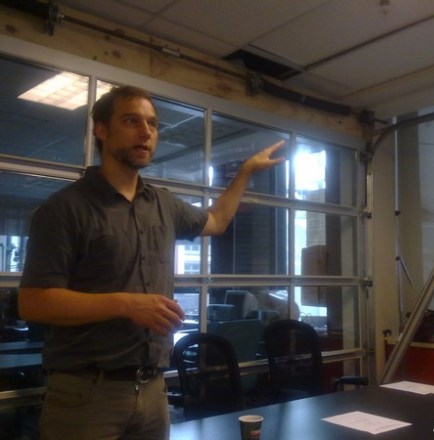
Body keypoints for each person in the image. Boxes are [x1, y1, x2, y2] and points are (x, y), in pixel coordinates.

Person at [18, 85, 285, 440]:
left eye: (153, 124)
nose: (146, 132)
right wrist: (126, 304)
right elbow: (33, 302)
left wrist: (245, 172)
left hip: (153, 391)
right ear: (102, 130)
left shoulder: (163, 204)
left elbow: (217, 221)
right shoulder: (64, 209)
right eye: (132, 121)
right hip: (86, 395)